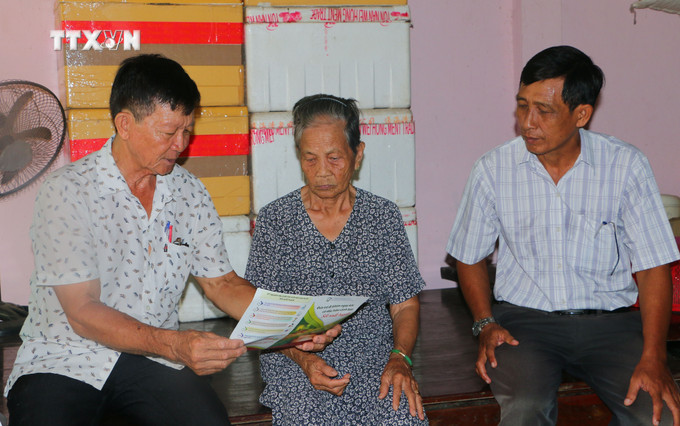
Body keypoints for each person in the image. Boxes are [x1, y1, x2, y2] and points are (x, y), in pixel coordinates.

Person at [4, 54, 338, 426]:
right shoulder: (67, 191)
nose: (180, 144)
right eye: (168, 132)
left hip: (153, 361)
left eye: (187, 130)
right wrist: (175, 344)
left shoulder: (189, 193)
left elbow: (222, 284)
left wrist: (292, 325)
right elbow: (82, 312)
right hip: (64, 359)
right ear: (125, 124)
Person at [447, 45, 680, 425]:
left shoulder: (625, 166)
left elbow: (654, 265)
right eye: (522, 106)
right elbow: (468, 255)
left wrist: (655, 357)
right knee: (525, 408)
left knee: (659, 415)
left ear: (581, 114)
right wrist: (485, 323)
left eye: (544, 110)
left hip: (612, 325)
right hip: (525, 324)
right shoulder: (494, 169)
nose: (528, 122)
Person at [245, 94, 428, 425]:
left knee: (402, 414)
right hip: (295, 359)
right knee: (308, 416)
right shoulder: (276, 221)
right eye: (310, 159)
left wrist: (400, 357)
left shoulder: (382, 216)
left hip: (374, 360)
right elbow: (259, 317)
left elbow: (405, 305)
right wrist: (305, 360)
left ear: (357, 155)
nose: (322, 172)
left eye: (334, 158)